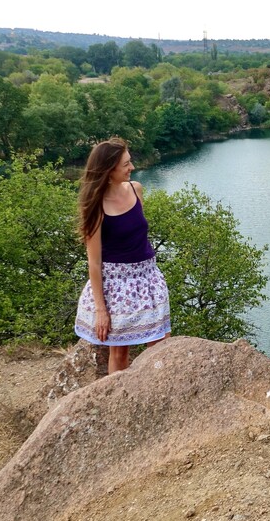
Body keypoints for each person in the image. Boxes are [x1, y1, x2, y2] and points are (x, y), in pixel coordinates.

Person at [74, 137, 171, 373]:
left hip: (148, 278)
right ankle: (118, 400)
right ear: (109, 170)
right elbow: (94, 263)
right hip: (117, 286)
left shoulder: (136, 189)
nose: (132, 167)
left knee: (162, 344)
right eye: (126, 164)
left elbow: (138, 234)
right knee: (119, 351)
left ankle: (161, 393)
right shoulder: (95, 208)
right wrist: (101, 310)